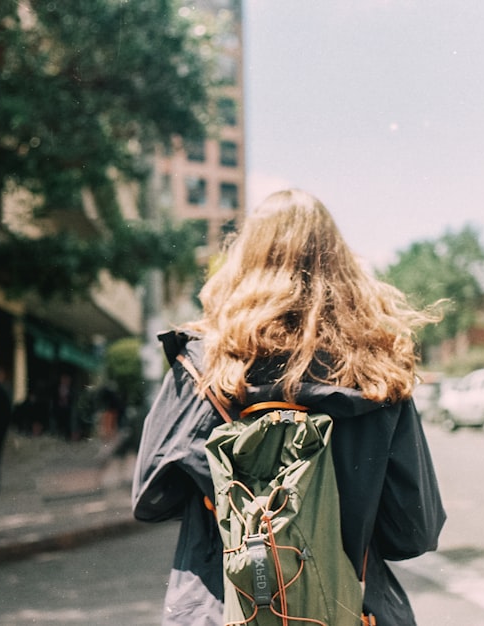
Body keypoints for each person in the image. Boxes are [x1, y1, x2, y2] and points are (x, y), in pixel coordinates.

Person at [132, 189, 446, 625]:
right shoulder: (376, 376)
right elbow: (412, 532)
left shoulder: (202, 366)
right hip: (347, 612)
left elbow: (149, 499)